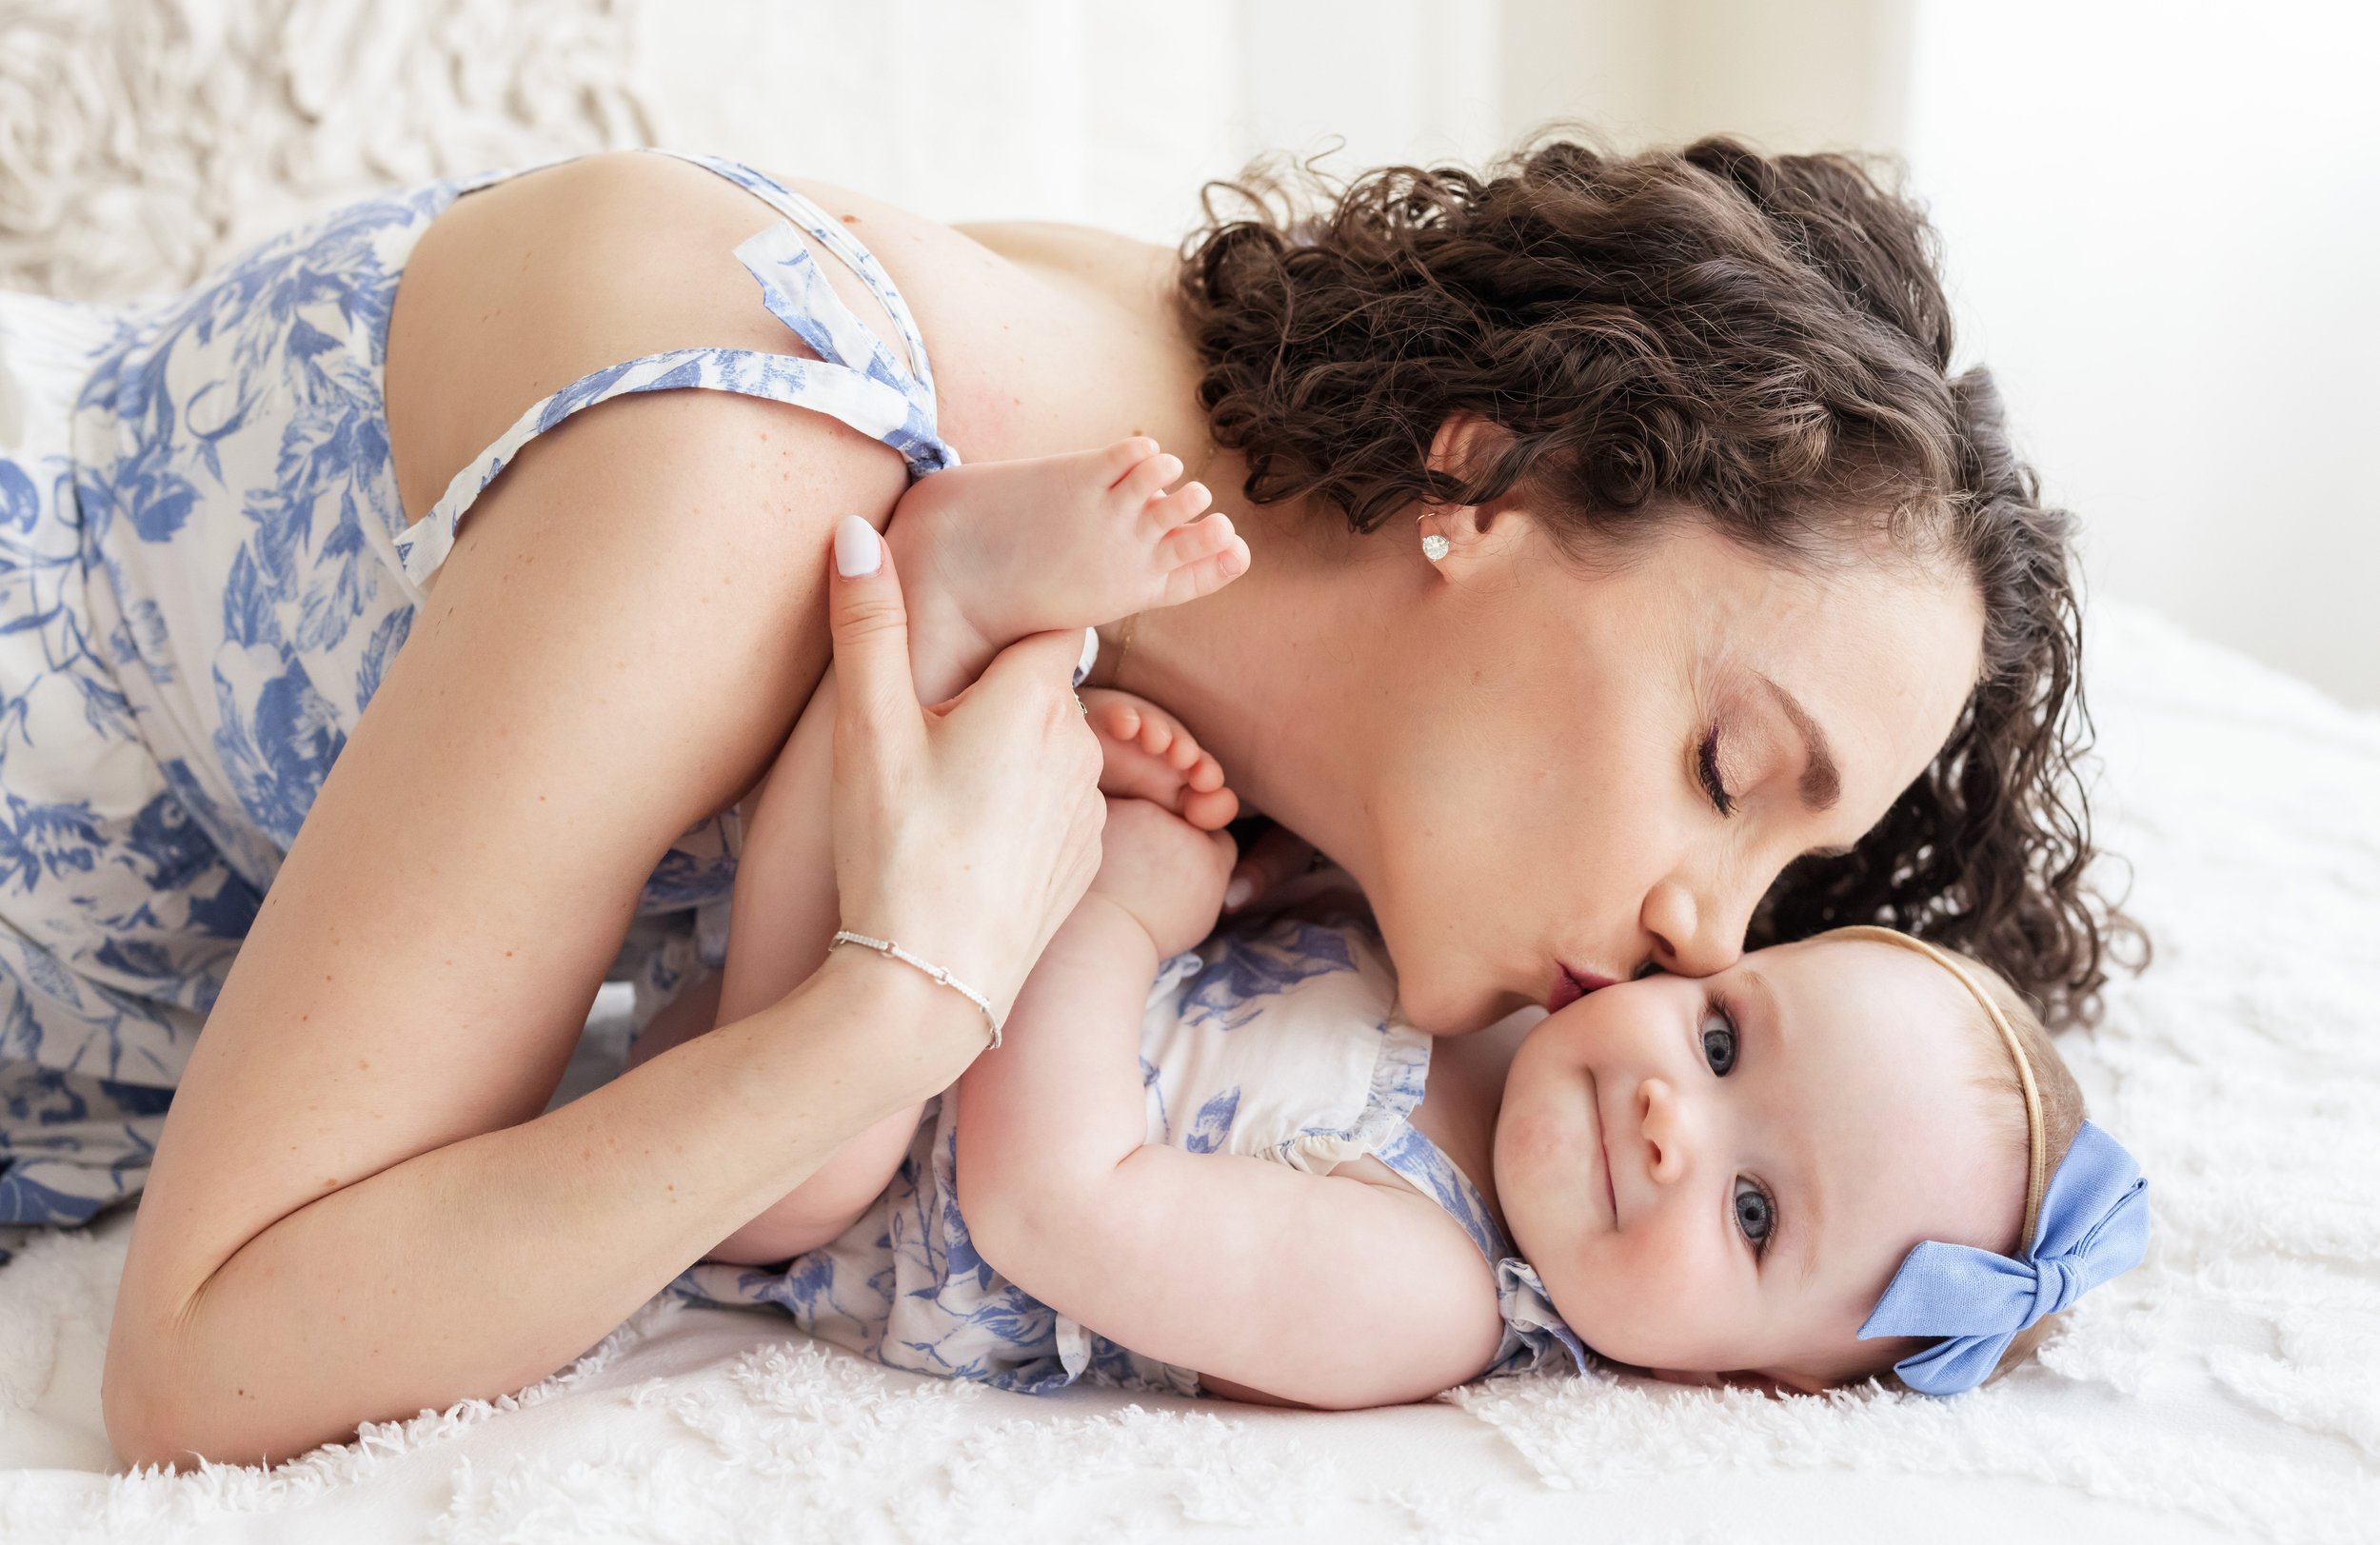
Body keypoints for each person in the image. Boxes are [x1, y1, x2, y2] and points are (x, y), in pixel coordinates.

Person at [0, 134, 2124, 1465]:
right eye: (1722, 773)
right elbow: (196, 1371)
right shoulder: (768, 457)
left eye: (1787, 881)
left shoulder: (1235, 695)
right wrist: (885, 1010)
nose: (1699, 935)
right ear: (1487, 484)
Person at [677, 428, 2150, 1403]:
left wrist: (1117, 908)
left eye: (1751, 1214)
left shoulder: (1417, 1293)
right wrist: (1229, 860)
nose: (1666, 1120)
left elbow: (1051, 1199)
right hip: (956, 948)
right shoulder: (1515, 1005)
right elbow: (1293, 961)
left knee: (806, 1163)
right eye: (1719, 1039)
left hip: (834, 1170)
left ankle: (946, 584)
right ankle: (945, 616)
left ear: (1744, 1377)